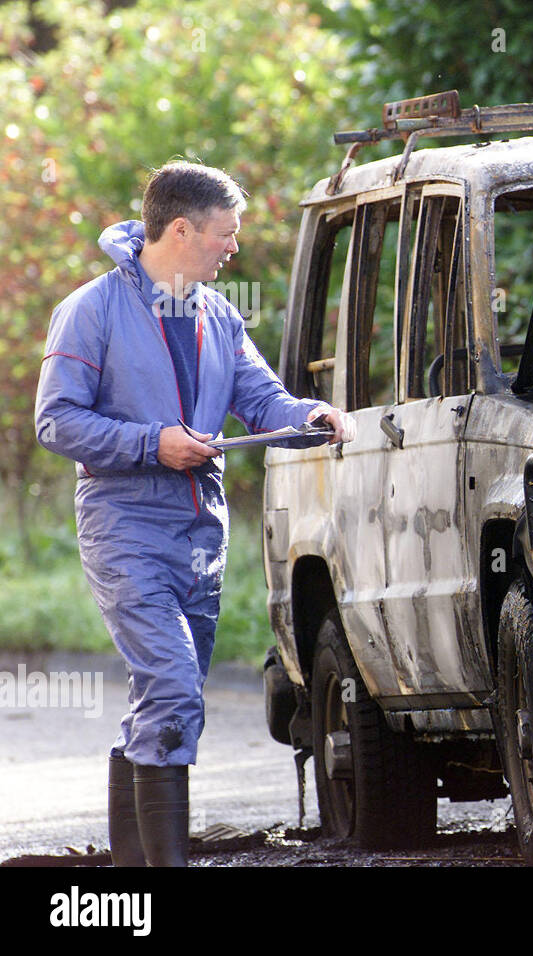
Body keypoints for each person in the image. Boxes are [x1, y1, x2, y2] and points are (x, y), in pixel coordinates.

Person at [33, 161, 352, 867]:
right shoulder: (91, 310)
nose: (232, 249)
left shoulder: (218, 313)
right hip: (125, 525)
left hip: (202, 531)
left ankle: (132, 875)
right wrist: (155, 444)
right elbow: (54, 423)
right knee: (174, 685)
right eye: (223, 235)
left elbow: (264, 401)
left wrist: (313, 414)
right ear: (180, 230)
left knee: (164, 693)